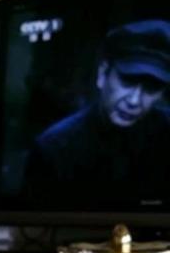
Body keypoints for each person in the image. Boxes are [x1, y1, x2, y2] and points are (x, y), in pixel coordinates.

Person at [25, 19, 170, 204]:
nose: (134, 101)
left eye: (151, 87)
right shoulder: (53, 149)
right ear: (102, 74)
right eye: (127, 81)